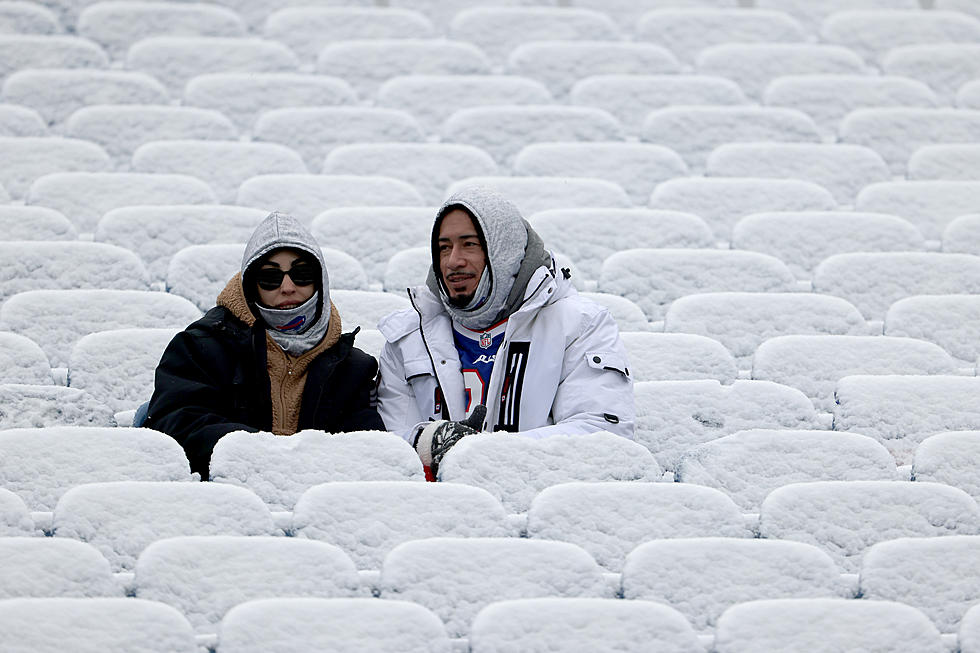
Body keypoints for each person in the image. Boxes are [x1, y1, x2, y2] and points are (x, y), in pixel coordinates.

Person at [376, 186, 634, 479]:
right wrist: (428, 440)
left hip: (538, 499)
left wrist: (483, 454)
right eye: (443, 247)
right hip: (435, 510)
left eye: (469, 244)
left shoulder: (580, 325)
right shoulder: (407, 336)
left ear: (505, 251)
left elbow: (603, 435)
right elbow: (386, 449)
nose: (452, 261)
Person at [145, 211, 384, 478]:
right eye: (270, 277)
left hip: (320, 498)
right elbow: (175, 424)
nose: (287, 287)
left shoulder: (353, 367)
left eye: (302, 274)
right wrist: (261, 452)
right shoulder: (200, 347)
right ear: (250, 285)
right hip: (223, 494)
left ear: (320, 281)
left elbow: (366, 447)